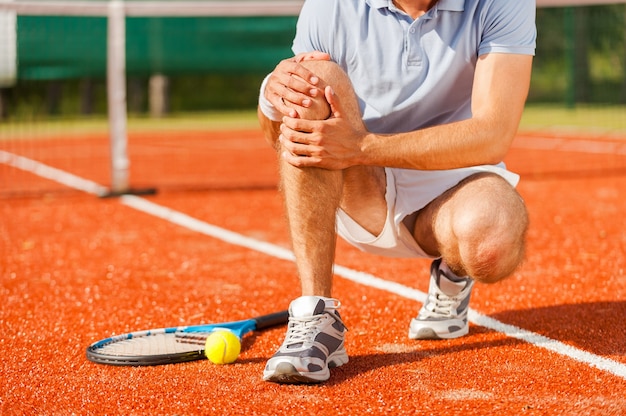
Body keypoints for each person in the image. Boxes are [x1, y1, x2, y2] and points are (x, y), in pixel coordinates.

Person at [257, 0, 536, 384]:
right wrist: (272, 97)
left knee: (492, 239)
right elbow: (282, 136)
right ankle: (315, 314)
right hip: (357, 183)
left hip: (451, 182)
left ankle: (452, 276)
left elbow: (493, 134)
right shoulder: (329, 6)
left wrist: (362, 145)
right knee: (313, 78)